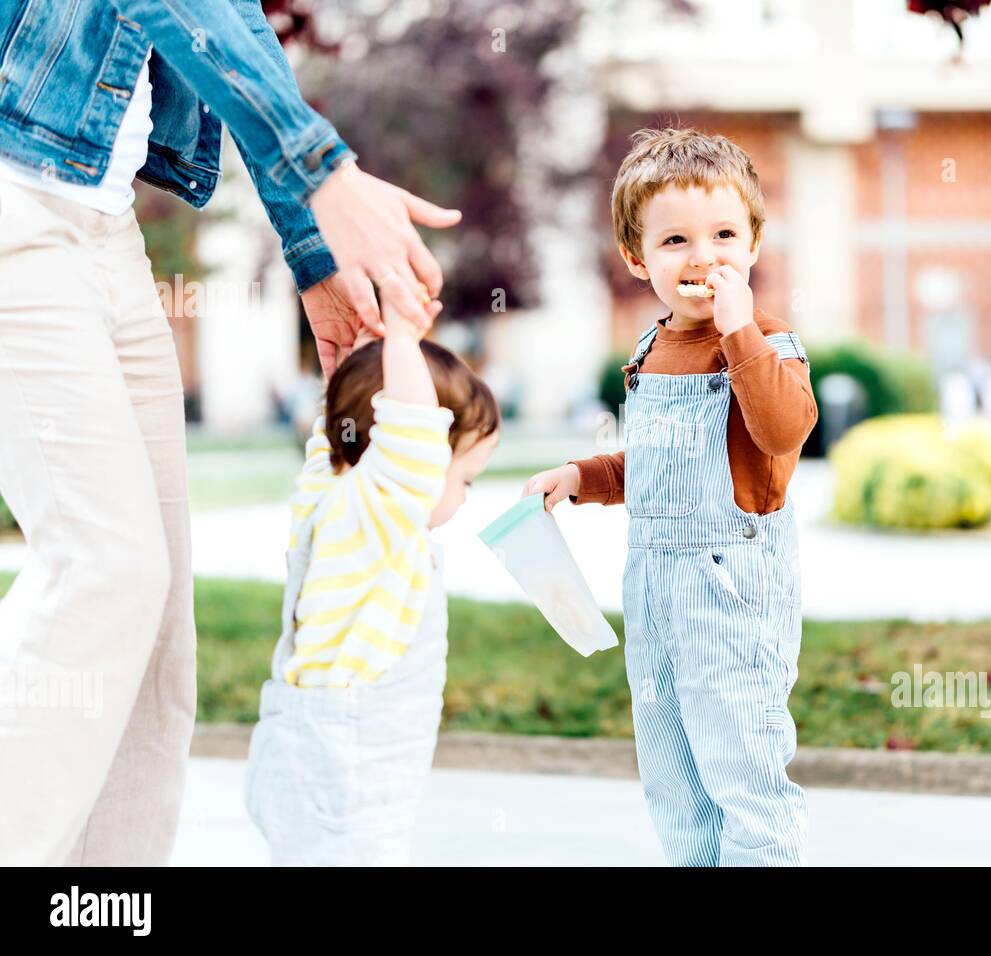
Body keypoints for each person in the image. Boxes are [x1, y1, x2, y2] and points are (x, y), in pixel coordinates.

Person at [0, 1, 458, 865]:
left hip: (102, 227)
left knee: (155, 632)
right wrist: (324, 174)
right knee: (106, 570)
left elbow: (229, 17)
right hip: (13, 200)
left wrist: (314, 255)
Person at [522, 128, 818, 866]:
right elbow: (656, 462)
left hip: (732, 592)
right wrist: (582, 479)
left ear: (753, 245)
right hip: (654, 590)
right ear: (636, 258)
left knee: (742, 772)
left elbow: (782, 431)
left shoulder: (766, 343)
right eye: (675, 240)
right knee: (674, 778)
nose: (703, 257)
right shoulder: (650, 350)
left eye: (723, 234)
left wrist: (738, 329)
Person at [245, 297, 499, 866]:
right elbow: (408, 440)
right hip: (348, 766)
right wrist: (402, 336)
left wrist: (366, 350)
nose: (461, 498)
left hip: (308, 755)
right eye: (464, 479)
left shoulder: (330, 492)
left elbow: (337, 427)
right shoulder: (379, 516)